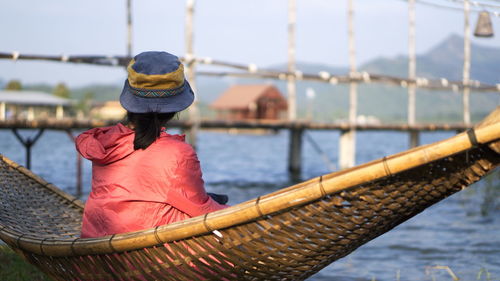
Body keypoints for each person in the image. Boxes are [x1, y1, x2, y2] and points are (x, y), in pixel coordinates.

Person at [76, 51, 228, 238]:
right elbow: (204, 211)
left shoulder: (107, 141)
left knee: (212, 198)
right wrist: (236, 210)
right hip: (151, 256)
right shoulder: (176, 153)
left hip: (99, 248)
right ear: (174, 110)